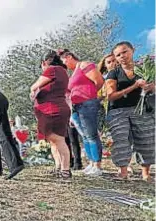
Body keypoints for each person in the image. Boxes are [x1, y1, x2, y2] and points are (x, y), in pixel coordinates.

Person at [105, 41, 155, 181]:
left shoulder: (145, 68)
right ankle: (123, 172)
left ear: (132, 50)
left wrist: (151, 87)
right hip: (118, 111)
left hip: (142, 110)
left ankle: (146, 173)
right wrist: (134, 86)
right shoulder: (113, 73)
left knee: (146, 139)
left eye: (125, 52)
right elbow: (111, 95)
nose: (122, 56)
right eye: (118, 54)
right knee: (120, 139)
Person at [58, 48, 105, 176]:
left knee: (91, 134)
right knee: (84, 135)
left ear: (69, 57)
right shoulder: (71, 75)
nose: (63, 64)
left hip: (87, 103)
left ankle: (97, 165)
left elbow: (99, 81)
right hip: (75, 106)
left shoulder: (84, 65)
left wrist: (90, 95)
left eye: (63, 60)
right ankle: (91, 162)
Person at [30, 51, 72, 178]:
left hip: (53, 109)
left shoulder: (52, 70)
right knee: (53, 141)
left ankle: (65, 170)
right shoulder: (61, 71)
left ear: (44, 62)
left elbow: (34, 86)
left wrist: (33, 91)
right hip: (52, 108)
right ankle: (58, 166)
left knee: (58, 139)